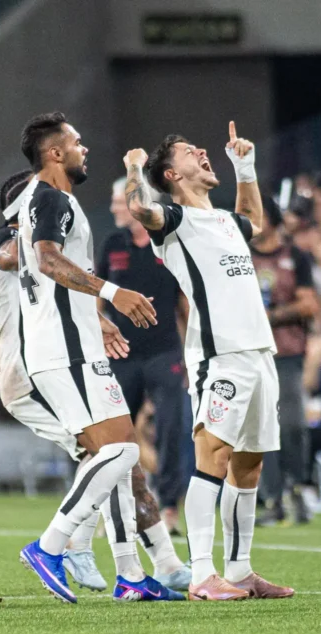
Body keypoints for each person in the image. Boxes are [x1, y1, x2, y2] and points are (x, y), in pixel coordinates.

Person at [0, 170, 190, 595]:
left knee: (121, 458)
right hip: (32, 373)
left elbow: (57, 292)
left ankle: (154, 568)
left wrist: (95, 318)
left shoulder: (49, 239)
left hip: (64, 360)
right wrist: (57, 244)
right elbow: (14, 257)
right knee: (113, 455)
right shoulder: (4, 239)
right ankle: (70, 545)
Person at [124, 120, 294, 600]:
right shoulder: (175, 220)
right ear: (172, 175)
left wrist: (245, 167)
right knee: (213, 456)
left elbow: (254, 222)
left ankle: (239, 571)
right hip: (220, 356)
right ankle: (202, 573)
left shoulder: (221, 219)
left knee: (249, 464)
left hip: (258, 351)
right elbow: (139, 207)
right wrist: (136, 166)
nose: (201, 151)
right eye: (187, 151)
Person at [97, 177, 187, 533]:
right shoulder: (112, 244)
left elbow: (185, 302)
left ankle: (169, 507)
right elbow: (96, 299)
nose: (114, 207)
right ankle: (109, 508)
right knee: (114, 434)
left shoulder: (168, 243)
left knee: (170, 429)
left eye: (120, 201)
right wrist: (98, 335)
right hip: (122, 354)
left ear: (139, 204)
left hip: (165, 352)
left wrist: (193, 350)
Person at [249, 193, 319, 524]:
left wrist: (272, 315)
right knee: (260, 428)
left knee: (291, 424)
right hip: (251, 352)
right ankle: (272, 498)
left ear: (273, 218)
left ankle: (299, 488)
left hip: (287, 351)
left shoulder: (295, 256)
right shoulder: (240, 255)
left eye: (258, 214)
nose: (252, 220)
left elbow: (309, 304)